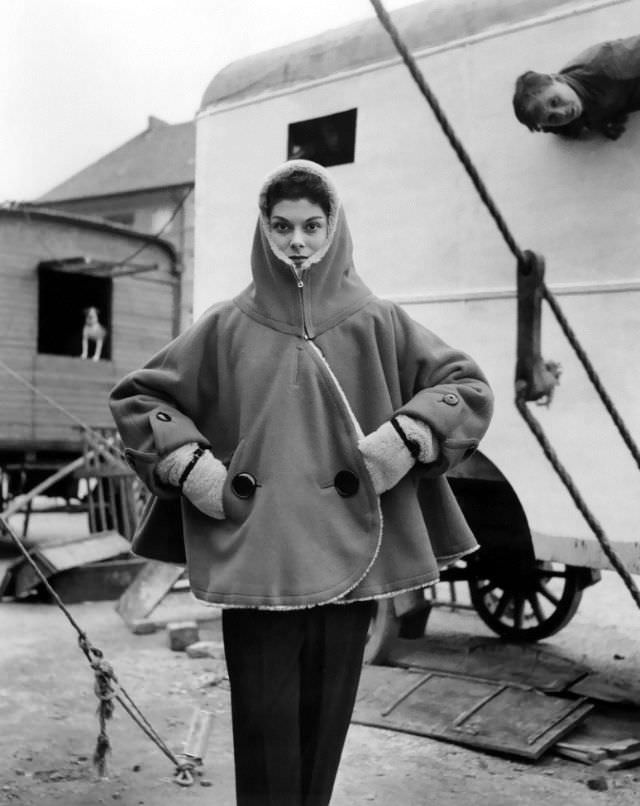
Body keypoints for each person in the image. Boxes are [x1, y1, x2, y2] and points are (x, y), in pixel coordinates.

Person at [109, 160, 494, 806]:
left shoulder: (377, 319)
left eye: (312, 226)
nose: (297, 241)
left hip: (350, 562)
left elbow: (466, 387)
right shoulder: (228, 324)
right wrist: (195, 468)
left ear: (333, 228)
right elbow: (138, 398)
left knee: (323, 742)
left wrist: (404, 439)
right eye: (282, 225)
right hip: (258, 564)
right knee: (263, 745)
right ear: (264, 230)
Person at [512, 34, 640, 139]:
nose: (562, 113)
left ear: (557, 79)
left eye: (555, 102)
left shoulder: (608, 63)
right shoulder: (561, 122)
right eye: (553, 118)